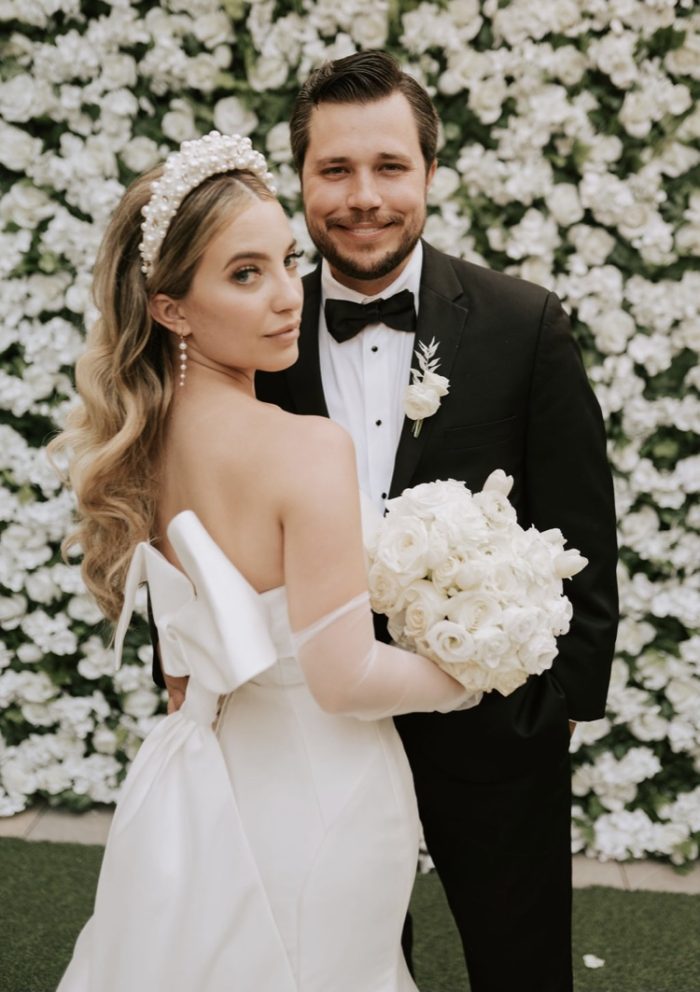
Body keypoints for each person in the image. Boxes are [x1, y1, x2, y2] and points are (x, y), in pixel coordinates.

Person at [52, 131, 478, 992]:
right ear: (171, 307)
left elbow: (181, 668)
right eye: (245, 275)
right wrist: (472, 672)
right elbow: (344, 677)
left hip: (201, 789)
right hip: (331, 793)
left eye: (285, 261)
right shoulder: (306, 447)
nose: (289, 296)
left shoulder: (137, 446)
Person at [252, 52, 618, 992]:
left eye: (389, 167)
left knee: (520, 964)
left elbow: (583, 527)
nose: (361, 196)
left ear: (430, 175)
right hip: (313, 729)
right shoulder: (253, 336)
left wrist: (556, 707)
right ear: (301, 179)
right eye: (334, 170)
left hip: (491, 726)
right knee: (346, 968)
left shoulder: (522, 323)